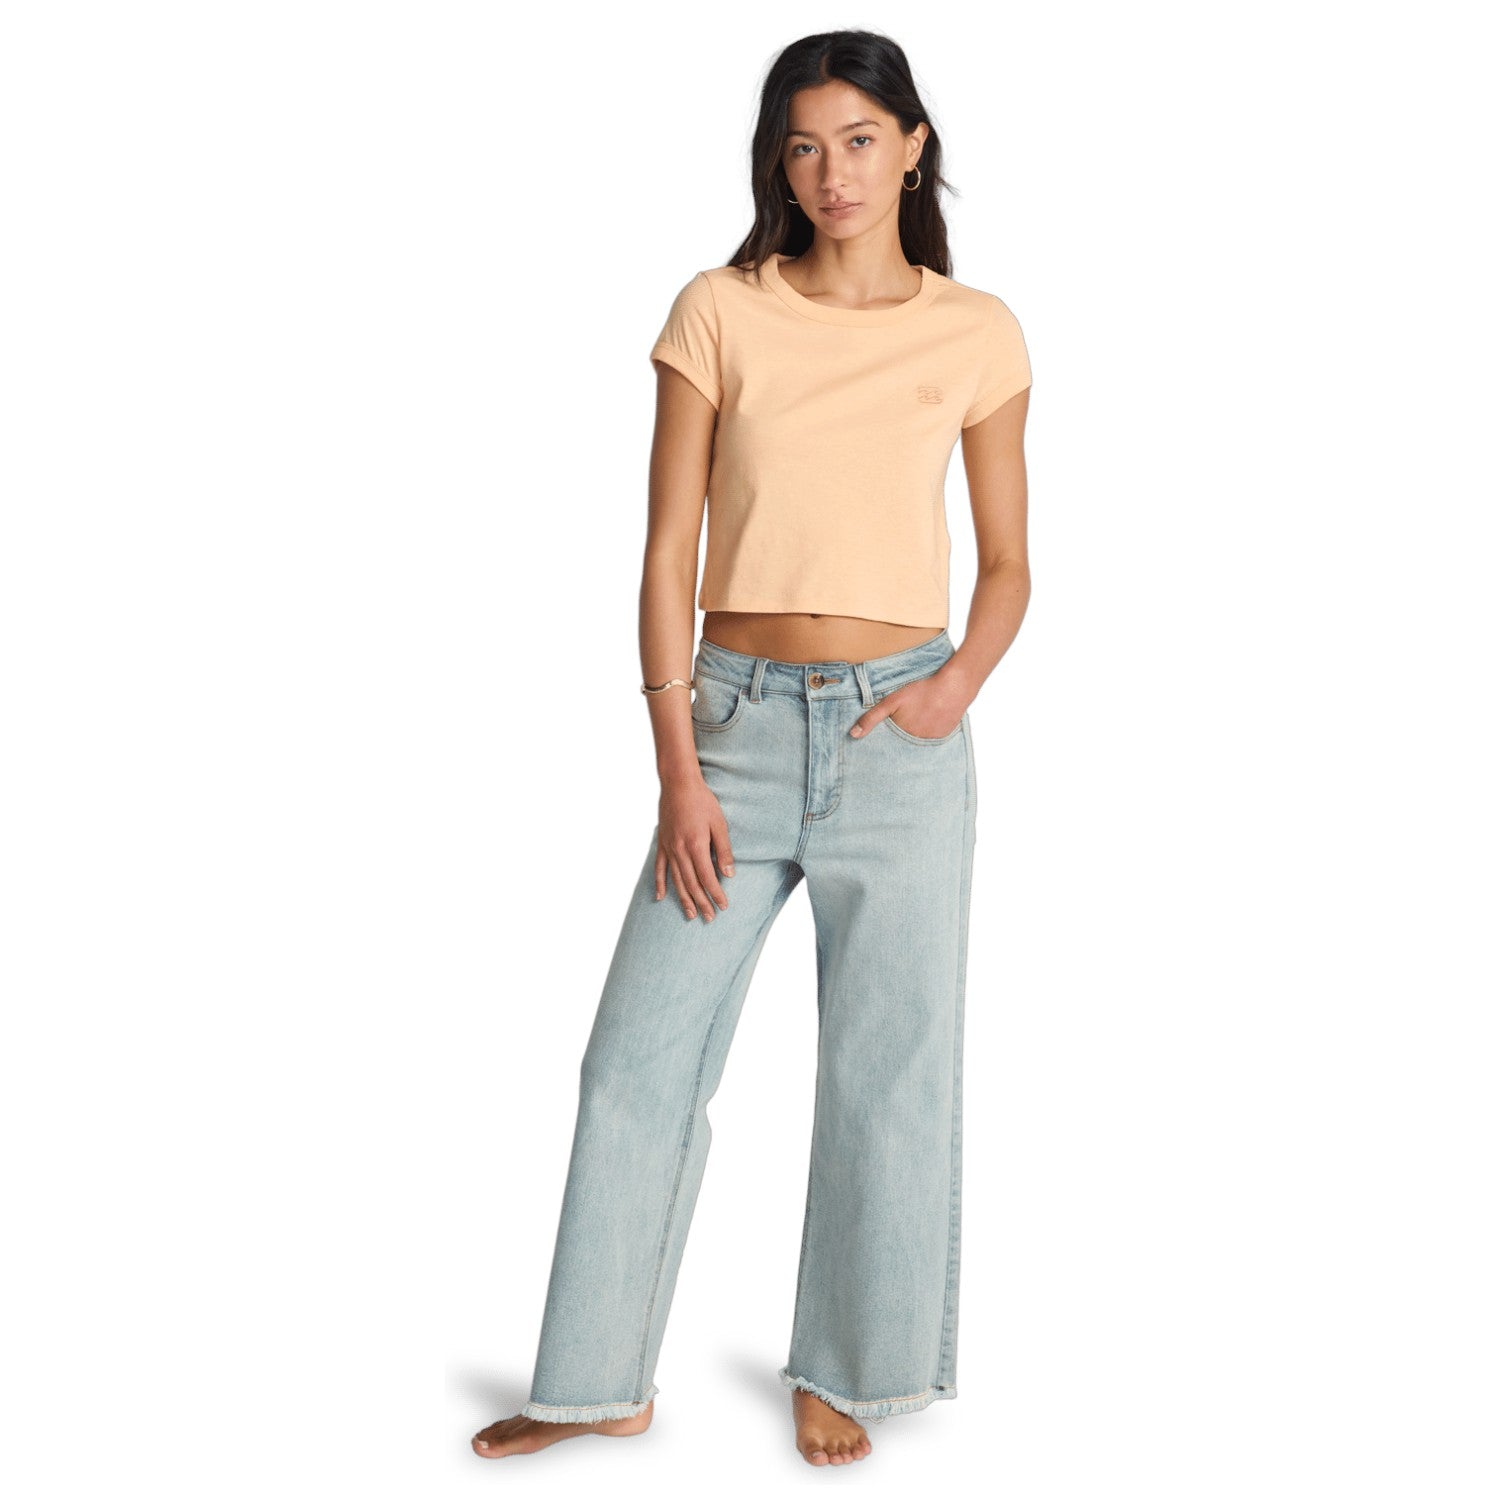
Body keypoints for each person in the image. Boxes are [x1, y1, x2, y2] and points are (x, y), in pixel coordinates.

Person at [472, 28, 1031, 1468]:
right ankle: (594, 1380)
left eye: (859, 140)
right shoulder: (721, 309)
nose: (831, 172)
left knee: (887, 1071)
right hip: (731, 728)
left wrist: (955, 687)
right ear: (777, 163)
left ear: (912, 148)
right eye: (803, 145)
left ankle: (850, 1368)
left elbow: (1009, 564)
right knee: (635, 1062)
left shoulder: (975, 332)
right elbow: (668, 551)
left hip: (901, 735)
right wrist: (678, 768)